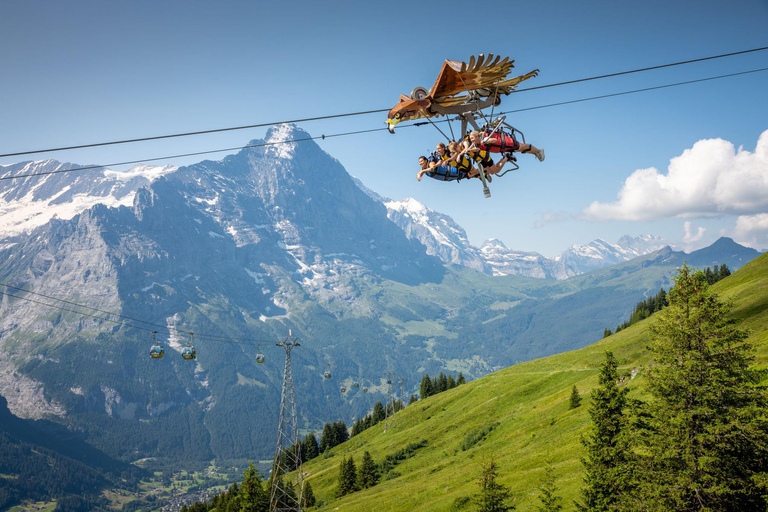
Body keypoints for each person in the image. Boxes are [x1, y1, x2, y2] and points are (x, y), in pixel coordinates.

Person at [476, 127, 545, 162]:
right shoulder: (479, 145)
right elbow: (476, 149)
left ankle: (539, 151)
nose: (472, 140)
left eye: (472, 138)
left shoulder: (484, 138)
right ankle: (535, 153)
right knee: (520, 149)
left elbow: (495, 140)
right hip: (503, 148)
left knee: (522, 146)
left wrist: (485, 141)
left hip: (506, 143)